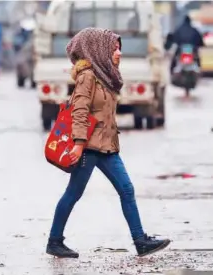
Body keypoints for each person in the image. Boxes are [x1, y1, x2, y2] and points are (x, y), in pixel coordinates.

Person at [46, 28, 171, 258]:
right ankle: (54, 241)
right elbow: (80, 111)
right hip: (89, 147)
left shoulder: (105, 75)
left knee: (127, 189)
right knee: (73, 193)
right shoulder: (88, 76)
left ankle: (140, 240)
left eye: (118, 48)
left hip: (107, 146)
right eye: (114, 48)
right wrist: (79, 143)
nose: (119, 53)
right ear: (98, 49)